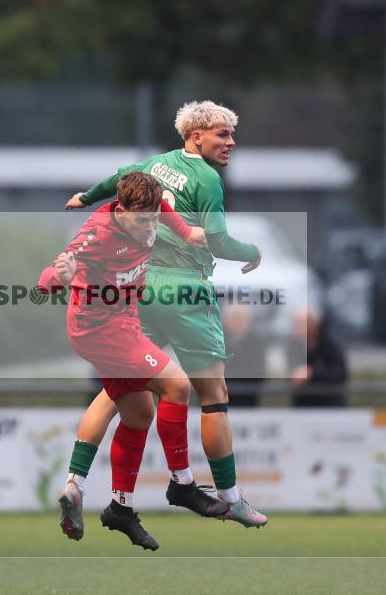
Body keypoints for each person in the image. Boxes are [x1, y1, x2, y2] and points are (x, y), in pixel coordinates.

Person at [61, 100, 268, 529]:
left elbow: (118, 178)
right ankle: (230, 498)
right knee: (214, 399)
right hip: (183, 289)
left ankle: (76, 480)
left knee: (118, 391)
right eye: (221, 134)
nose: (230, 142)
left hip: (138, 286)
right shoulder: (208, 178)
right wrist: (253, 252)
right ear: (196, 136)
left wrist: (85, 196)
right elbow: (216, 242)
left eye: (231, 134)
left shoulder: (155, 164)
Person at [40, 171, 225, 550]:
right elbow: (46, 279)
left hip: (124, 322)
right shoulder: (97, 234)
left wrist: (190, 234)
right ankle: (184, 485)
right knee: (177, 385)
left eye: (154, 218)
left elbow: (167, 209)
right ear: (120, 210)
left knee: (139, 413)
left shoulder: (153, 211)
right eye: (142, 220)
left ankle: (113, 504)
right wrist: (60, 277)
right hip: (100, 328)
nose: (150, 227)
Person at [288, 306, 348, 407]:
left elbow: (341, 374)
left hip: (329, 408)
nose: (296, 328)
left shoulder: (330, 346)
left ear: (312, 324)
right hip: (302, 408)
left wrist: (312, 372)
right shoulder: (294, 347)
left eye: (300, 324)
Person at [222, 304, 266, 407]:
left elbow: (258, 373)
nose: (237, 322)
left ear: (248, 321)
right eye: (233, 318)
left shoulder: (257, 343)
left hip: (248, 400)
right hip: (219, 401)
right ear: (225, 320)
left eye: (241, 318)